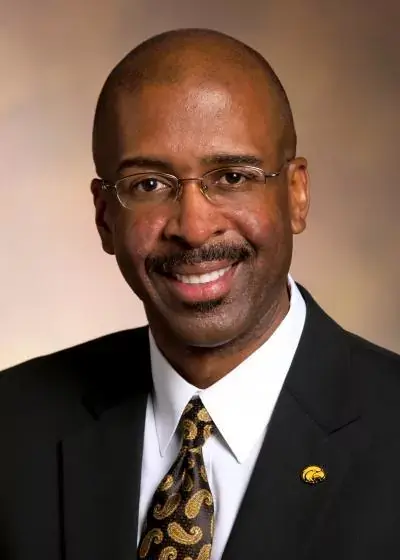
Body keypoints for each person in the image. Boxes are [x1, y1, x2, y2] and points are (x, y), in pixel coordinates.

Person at [0, 27, 399, 560]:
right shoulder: (12, 427)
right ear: (104, 217)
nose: (192, 227)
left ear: (297, 194)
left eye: (231, 177)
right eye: (148, 184)